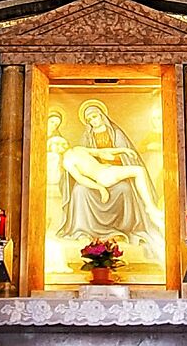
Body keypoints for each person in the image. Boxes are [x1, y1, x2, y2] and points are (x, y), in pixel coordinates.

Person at [60, 99, 162, 245]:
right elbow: (81, 178)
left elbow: (100, 152)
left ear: (102, 115)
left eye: (94, 117)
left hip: (111, 171)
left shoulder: (109, 136)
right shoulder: (70, 157)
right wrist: (100, 188)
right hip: (101, 178)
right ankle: (83, 230)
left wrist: (122, 151)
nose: (93, 121)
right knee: (78, 190)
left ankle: (138, 217)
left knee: (126, 186)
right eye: (89, 119)